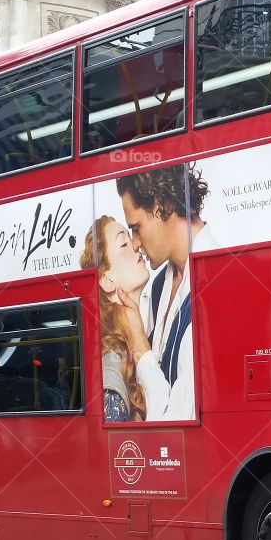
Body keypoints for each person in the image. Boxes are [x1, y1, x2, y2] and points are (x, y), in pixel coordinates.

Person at [116, 162, 218, 421]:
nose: (134, 243)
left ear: (161, 205)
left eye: (136, 227)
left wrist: (139, 342)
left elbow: (177, 420)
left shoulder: (216, 284)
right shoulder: (159, 285)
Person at [79, 216, 151, 422]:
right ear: (107, 279)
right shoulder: (112, 368)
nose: (135, 245)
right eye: (123, 243)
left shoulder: (140, 343)